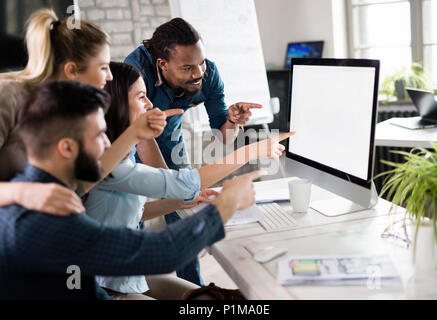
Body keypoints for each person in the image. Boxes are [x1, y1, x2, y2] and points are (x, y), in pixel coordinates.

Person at [0, 80, 264, 300]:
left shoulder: (39, 189)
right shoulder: (45, 217)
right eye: (99, 136)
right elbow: (164, 252)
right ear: (66, 148)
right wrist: (227, 203)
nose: (107, 145)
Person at [85, 62, 293, 300]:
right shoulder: (109, 163)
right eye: (141, 97)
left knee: (219, 297)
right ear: (117, 104)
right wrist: (251, 151)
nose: (150, 105)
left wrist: (178, 204)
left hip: (129, 277)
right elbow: (186, 183)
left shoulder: (121, 153)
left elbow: (132, 212)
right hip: (107, 288)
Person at [125, 17, 264, 285]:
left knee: (182, 212)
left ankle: (193, 288)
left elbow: (224, 136)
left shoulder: (207, 74)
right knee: (134, 210)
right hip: (134, 137)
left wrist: (233, 121)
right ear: (162, 65)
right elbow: (142, 139)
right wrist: (171, 186)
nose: (198, 73)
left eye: (200, 63)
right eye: (188, 68)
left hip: (170, 136)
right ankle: (132, 284)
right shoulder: (137, 73)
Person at [0, 9, 169, 215]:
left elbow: (77, 186)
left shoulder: (67, 114)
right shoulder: (7, 96)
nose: (109, 77)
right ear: (72, 71)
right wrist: (24, 193)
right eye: (103, 67)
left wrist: (135, 133)